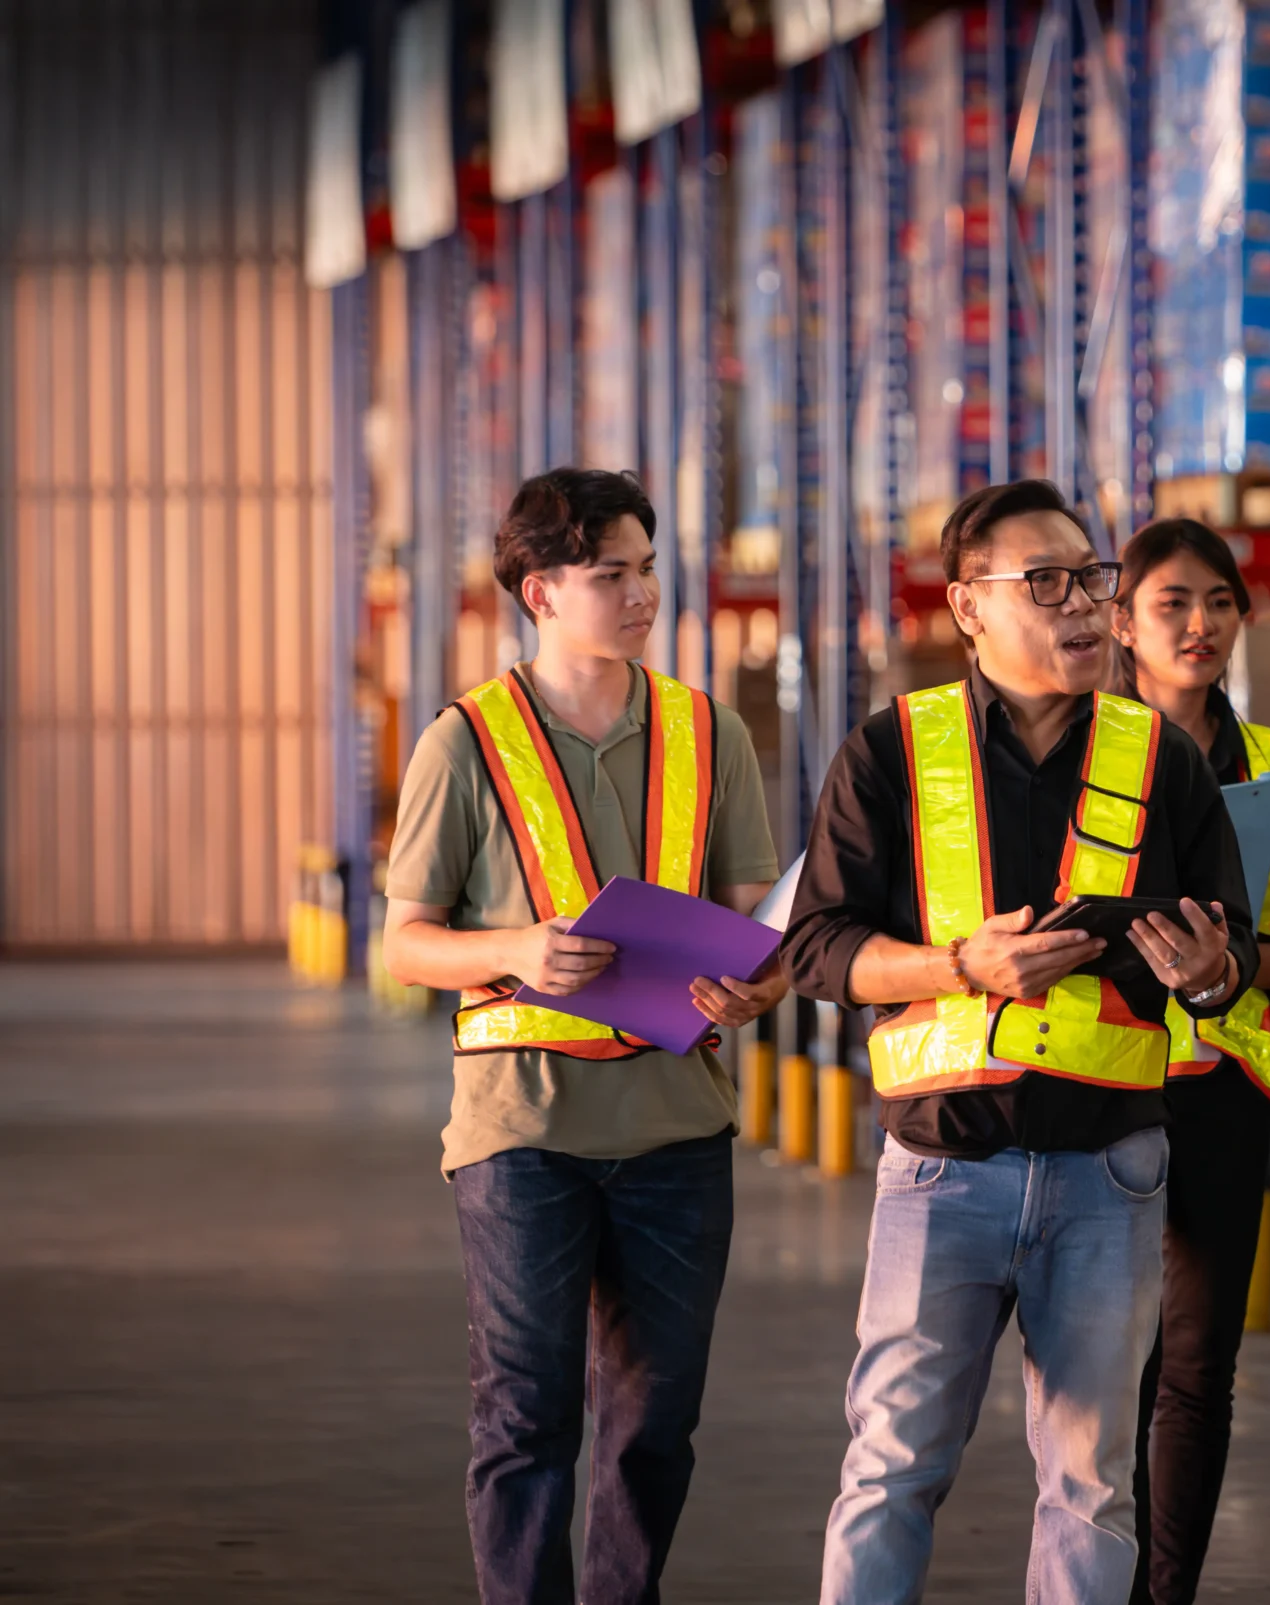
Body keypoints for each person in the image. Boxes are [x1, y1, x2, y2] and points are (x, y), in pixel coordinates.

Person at [782, 480, 1260, 1605]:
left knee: (1092, 1486)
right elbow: (817, 952)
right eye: (1044, 584)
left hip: (1111, 1175)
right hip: (944, 1172)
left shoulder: (1165, 761)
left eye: (1091, 579)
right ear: (967, 607)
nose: (1082, 605)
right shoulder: (891, 753)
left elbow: (1231, 942)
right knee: (893, 1468)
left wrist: (1211, 971)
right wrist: (959, 967)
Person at [381, 468, 785, 1605]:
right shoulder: (464, 745)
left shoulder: (710, 735)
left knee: (657, 1420)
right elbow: (407, 939)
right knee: (529, 1410)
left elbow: (758, 905)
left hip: (677, 1126)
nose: (643, 592)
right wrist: (512, 949)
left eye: (647, 568)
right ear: (541, 590)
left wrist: (760, 981)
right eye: (614, 572)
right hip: (524, 1132)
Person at [1105, 517, 1270, 1605]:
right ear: (1123, 625)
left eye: (1216, 603)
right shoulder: (1081, 757)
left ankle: (1166, 1592)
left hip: (1221, 1097)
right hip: (1095, 1089)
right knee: (1100, 1372)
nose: (1197, 625)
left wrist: (1232, 972)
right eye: (1170, 605)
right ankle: (1090, 1574)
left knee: (1196, 1370)